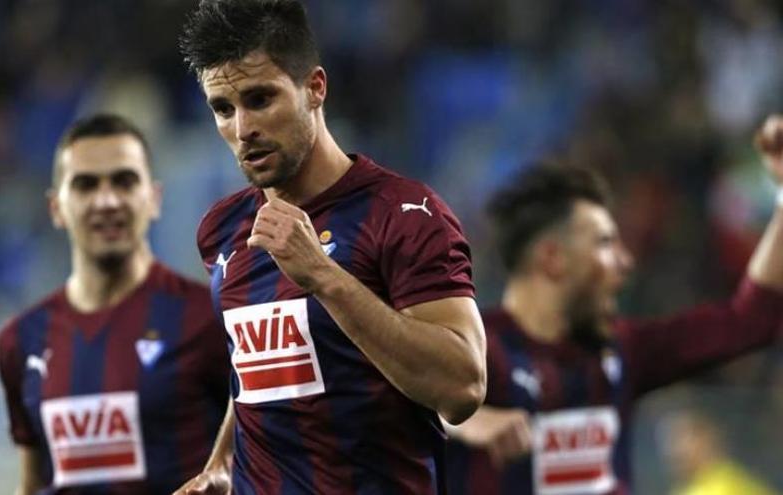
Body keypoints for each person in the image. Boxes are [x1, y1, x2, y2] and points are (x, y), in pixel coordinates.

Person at [174, 1, 487, 493]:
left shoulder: (404, 213)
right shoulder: (222, 229)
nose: (242, 128)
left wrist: (324, 276)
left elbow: (462, 387)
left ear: (315, 88)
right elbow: (255, 369)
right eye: (223, 108)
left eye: (260, 99)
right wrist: (222, 461)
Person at [445, 113, 783, 495]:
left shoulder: (622, 348)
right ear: (553, 258)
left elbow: (751, 319)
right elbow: (382, 392)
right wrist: (453, 419)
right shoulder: (474, 352)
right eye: (604, 243)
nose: (625, 261)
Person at [0, 114, 230, 494]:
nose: (106, 200)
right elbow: (33, 481)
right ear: (56, 207)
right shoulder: (19, 341)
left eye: (124, 181)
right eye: (86, 185)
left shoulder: (211, 319)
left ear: (154, 198)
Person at [660, 409, 779, 495]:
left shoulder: (729, 485)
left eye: (681, 437)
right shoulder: (684, 489)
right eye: (669, 440)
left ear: (706, 438)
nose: (671, 449)